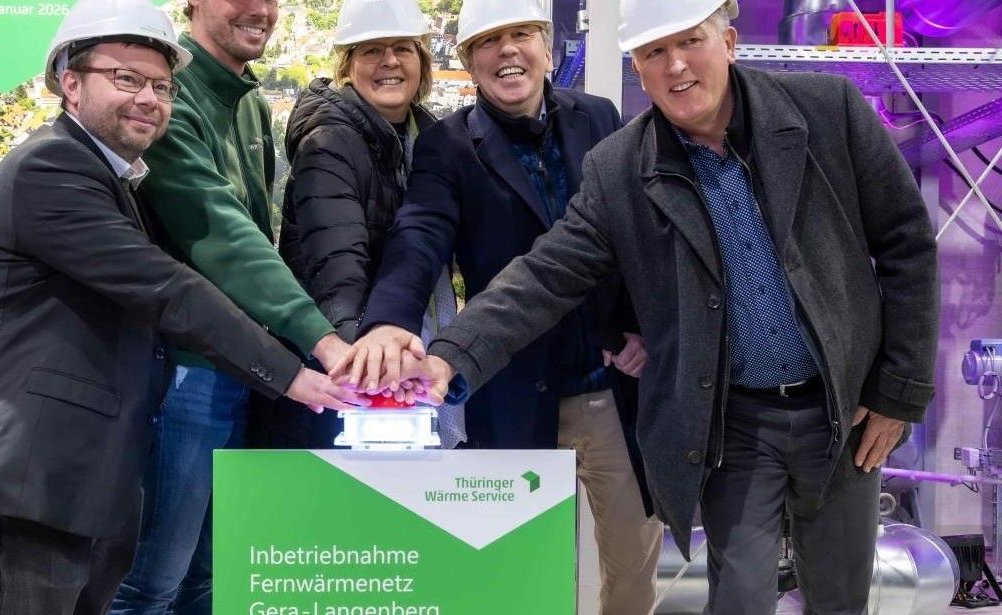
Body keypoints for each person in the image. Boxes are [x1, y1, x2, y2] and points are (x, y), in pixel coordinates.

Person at [361, 0, 940, 613]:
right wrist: (449, 356)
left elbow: (906, 244)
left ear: (729, 43)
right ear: (638, 69)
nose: (676, 65)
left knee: (841, 598)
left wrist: (898, 393)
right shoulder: (621, 166)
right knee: (739, 599)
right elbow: (545, 274)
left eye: (690, 42)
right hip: (733, 420)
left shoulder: (827, 110)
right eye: (655, 52)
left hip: (843, 410)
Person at [0, 1, 360, 612]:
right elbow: (166, 288)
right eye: (126, 79)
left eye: (161, 86)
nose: (148, 100)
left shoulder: (113, 175)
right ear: (70, 83)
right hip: (29, 478)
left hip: (77, 479)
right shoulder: (52, 166)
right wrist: (294, 372)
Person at [339, 0, 662, 610]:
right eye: (488, 40)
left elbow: (638, 233)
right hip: (514, 389)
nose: (507, 50)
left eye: (520, 34)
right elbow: (419, 234)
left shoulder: (599, 117)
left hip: (611, 386)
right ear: (468, 61)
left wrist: (638, 327)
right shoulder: (448, 145)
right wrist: (387, 323)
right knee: (524, 576)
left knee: (632, 564)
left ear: (547, 48)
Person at [110, 0, 354, 610]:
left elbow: (260, 233)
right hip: (184, 369)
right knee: (151, 580)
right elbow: (223, 234)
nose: (259, 9)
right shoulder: (170, 97)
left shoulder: (248, 101)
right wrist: (321, 339)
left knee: (211, 577)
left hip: (245, 364)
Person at [277, 0, 466, 447]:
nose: (390, 61)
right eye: (372, 50)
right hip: (344, 371)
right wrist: (365, 363)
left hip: (394, 356)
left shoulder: (427, 138)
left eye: (403, 48)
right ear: (348, 66)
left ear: (422, 61)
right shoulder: (330, 141)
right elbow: (336, 266)